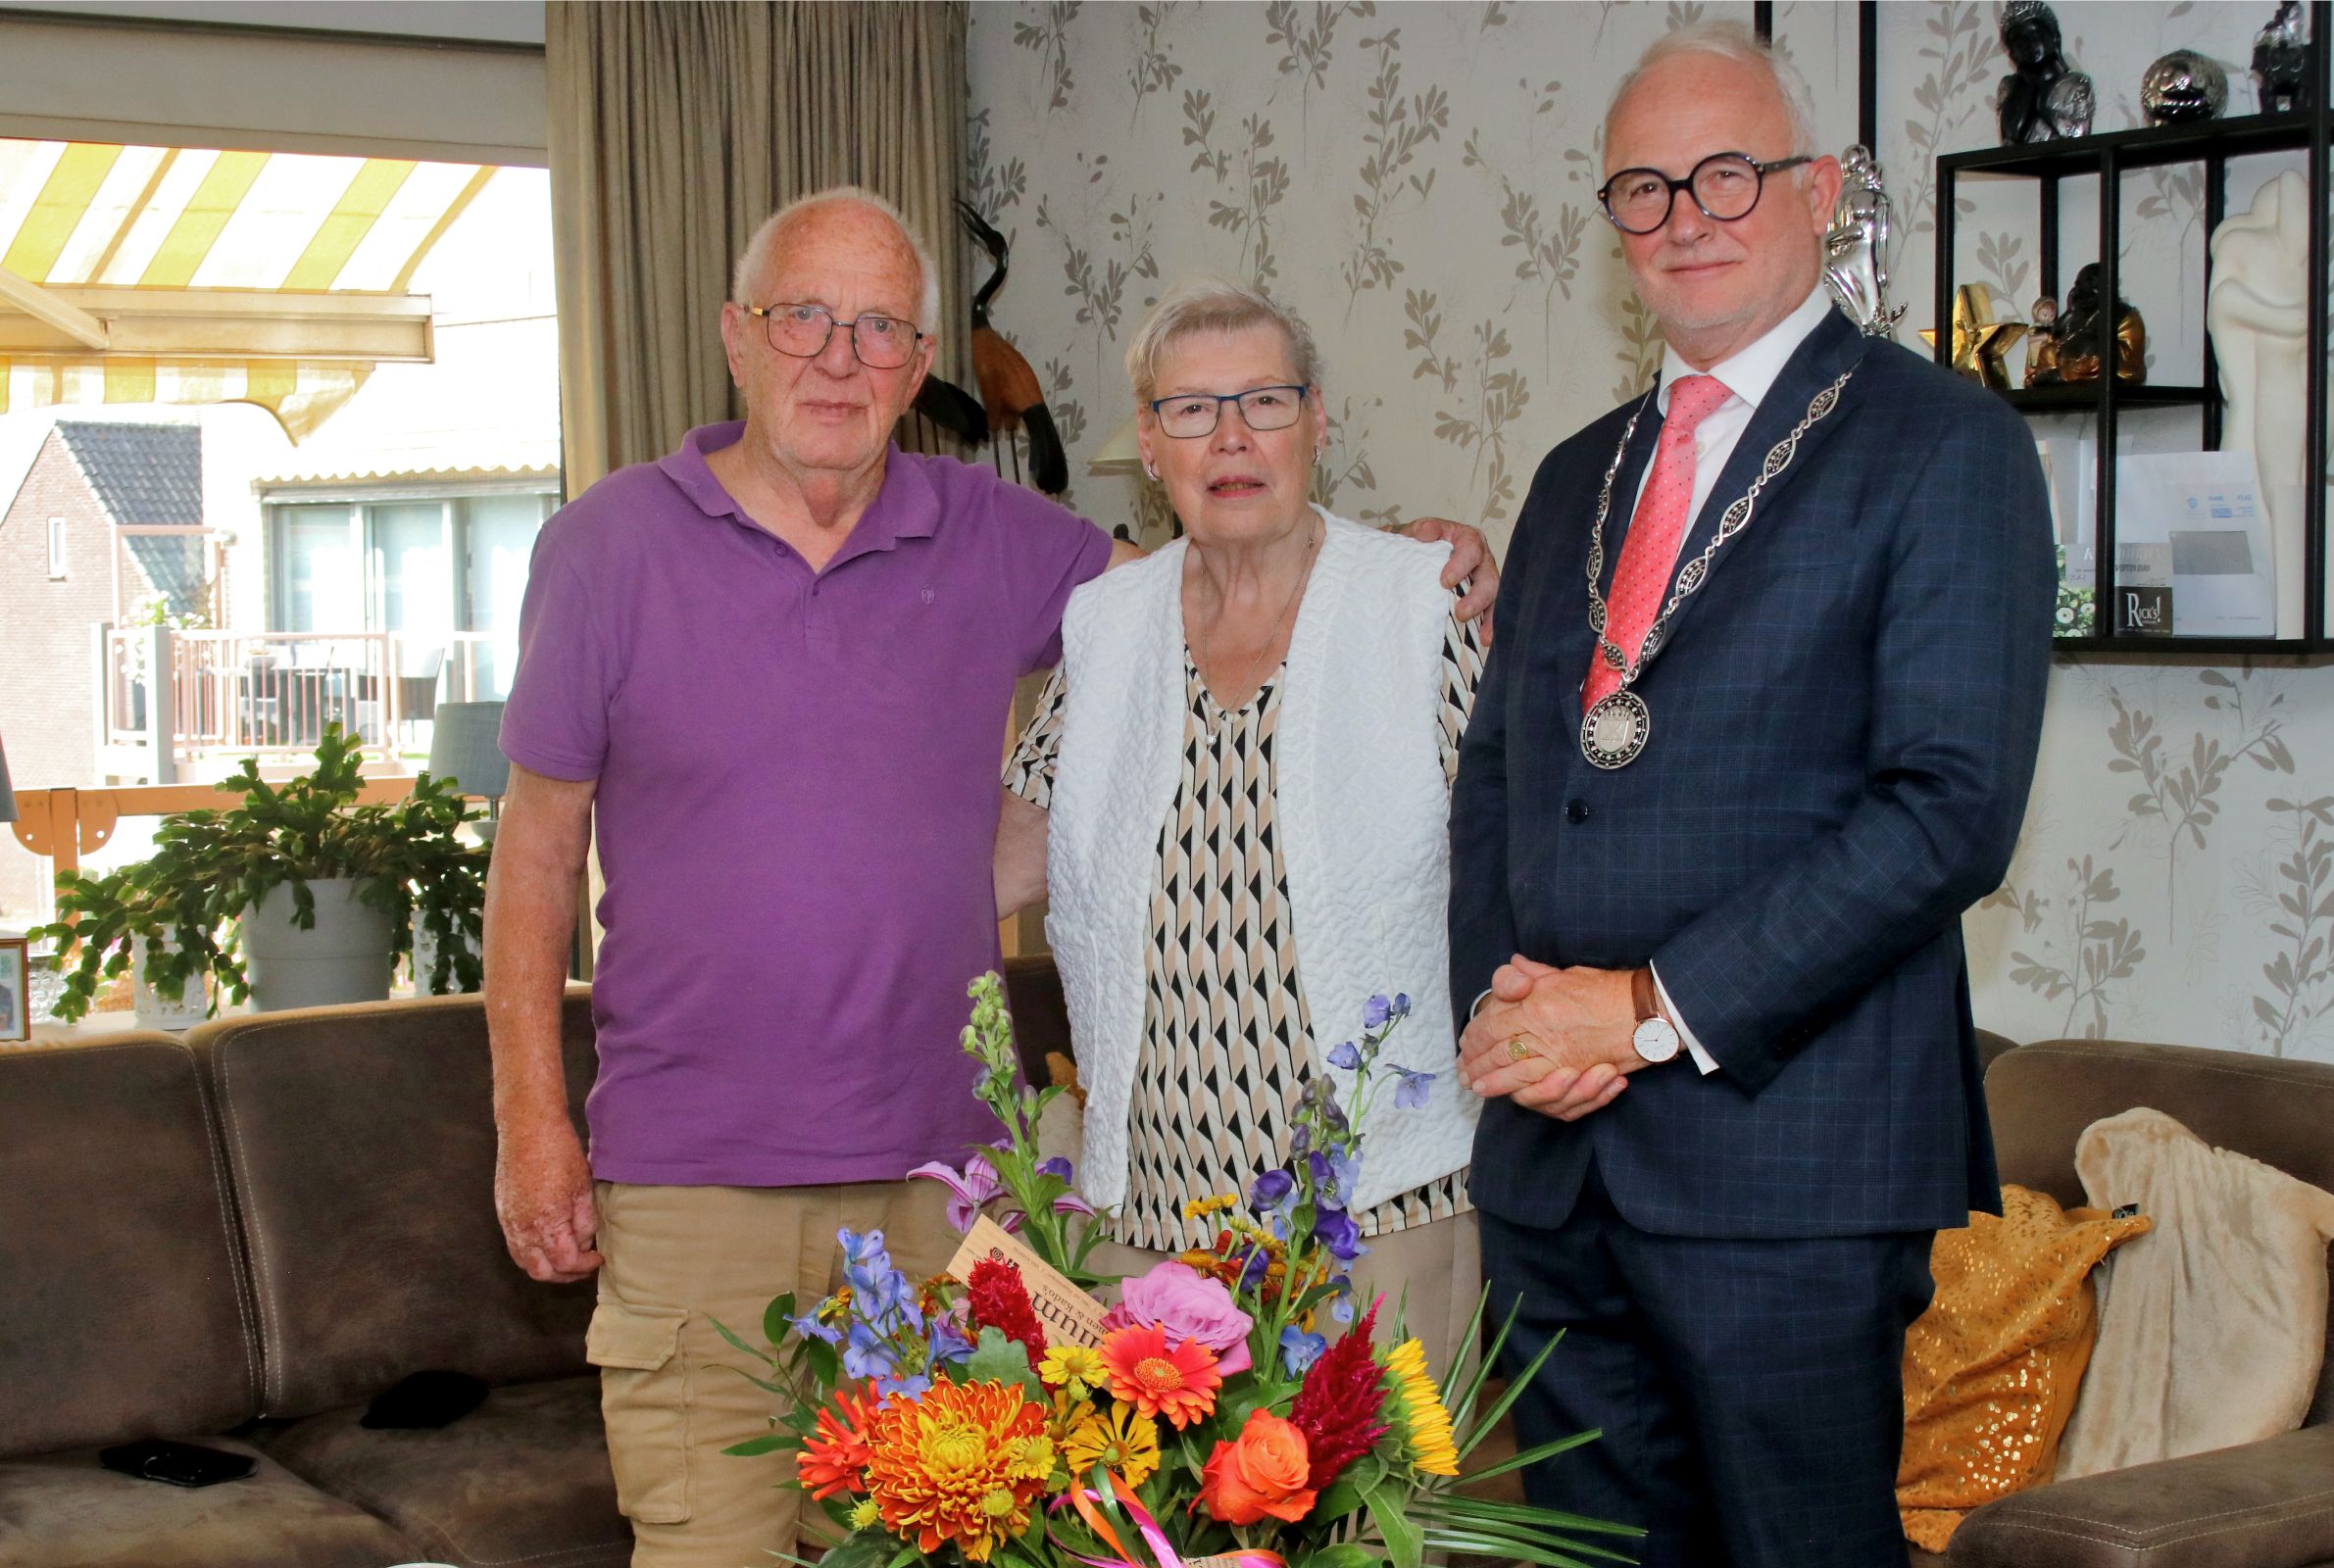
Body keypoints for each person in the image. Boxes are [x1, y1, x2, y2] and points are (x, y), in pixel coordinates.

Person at [486, 188, 1498, 1568]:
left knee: (971, 1549)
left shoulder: (1009, 541)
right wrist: (532, 1126)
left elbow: (1229, 573)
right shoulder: (607, 547)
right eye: (802, 318)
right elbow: (536, 849)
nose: (837, 358)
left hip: (948, 1193)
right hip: (691, 1182)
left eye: (878, 329)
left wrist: (1420, 561)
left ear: (918, 366)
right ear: (736, 335)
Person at [1447, 26, 2053, 1568]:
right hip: (1551, 1171)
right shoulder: (1575, 475)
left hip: (1791, 1170)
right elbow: (1502, 775)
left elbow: (1948, 809)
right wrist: (1511, 1023)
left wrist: (1644, 1013)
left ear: (1819, 191)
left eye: (1726, 175)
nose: (1685, 218)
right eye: (1642, 190)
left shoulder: (1944, 445)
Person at [994, 279, 1485, 1369]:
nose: (1230, 437)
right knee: (1147, 1492)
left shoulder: (1419, 604)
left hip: (1380, 1208)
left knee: (1377, 1483)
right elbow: (1010, 857)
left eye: (1264, 401)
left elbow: (1525, 866)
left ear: (1317, 422)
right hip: (1148, 1211)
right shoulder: (1106, 626)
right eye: (1189, 410)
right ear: (1150, 446)